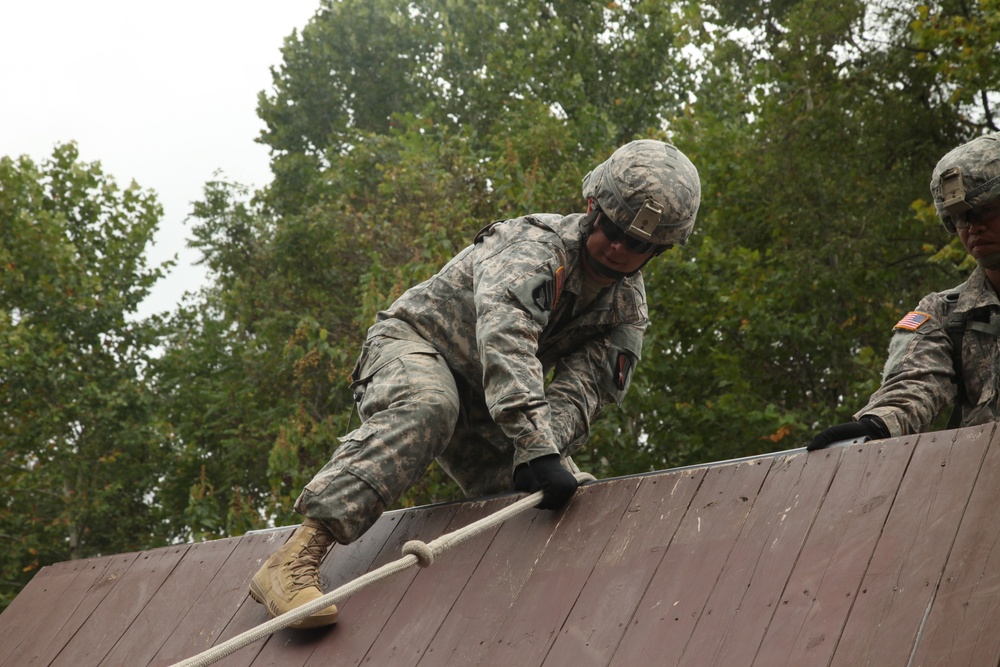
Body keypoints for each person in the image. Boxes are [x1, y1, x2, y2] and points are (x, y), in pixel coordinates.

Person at [247, 139, 701, 628]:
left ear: (658, 251)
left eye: (637, 244)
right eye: (613, 230)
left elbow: (584, 391)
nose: (618, 248)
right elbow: (507, 341)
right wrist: (535, 443)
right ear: (594, 208)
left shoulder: (627, 310)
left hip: (489, 402)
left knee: (555, 494)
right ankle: (292, 561)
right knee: (430, 405)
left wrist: (544, 453)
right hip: (416, 347)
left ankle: (517, 621)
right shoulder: (534, 248)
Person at [809, 133, 1000, 452]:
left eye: (984, 210)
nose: (972, 228)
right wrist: (876, 425)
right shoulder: (945, 314)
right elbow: (915, 383)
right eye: (959, 218)